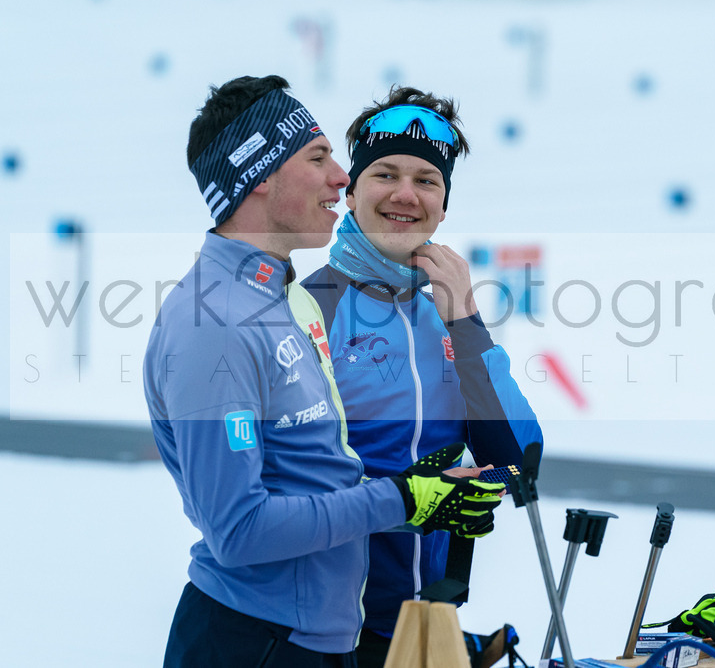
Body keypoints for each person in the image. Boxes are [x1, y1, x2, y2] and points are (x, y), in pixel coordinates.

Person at [143, 75, 504, 668]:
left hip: (322, 637)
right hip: (257, 639)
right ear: (259, 176)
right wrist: (402, 499)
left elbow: (320, 474)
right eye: (319, 158)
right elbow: (239, 531)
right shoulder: (217, 324)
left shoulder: (279, 300)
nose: (341, 177)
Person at [302, 86, 543, 667]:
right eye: (385, 174)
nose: (405, 195)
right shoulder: (311, 308)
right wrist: (407, 497)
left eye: (426, 180)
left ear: (443, 204)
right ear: (352, 189)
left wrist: (465, 321)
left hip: (425, 624)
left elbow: (518, 456)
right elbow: (285, 482)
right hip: (325, 630)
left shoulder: (447, 311)